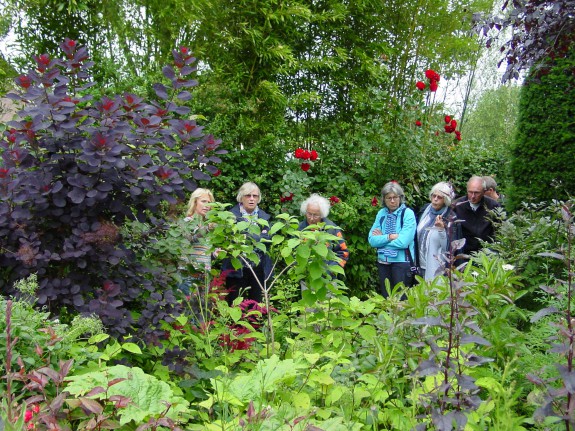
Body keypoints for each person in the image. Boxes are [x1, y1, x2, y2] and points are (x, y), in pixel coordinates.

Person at [223, 182, 272, 304]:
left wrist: (246, 237)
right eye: (248, 195)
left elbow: (268, 239)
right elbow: (230, 239)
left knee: (257, 306)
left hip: (259, 267)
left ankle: (256, 324)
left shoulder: (264, 218)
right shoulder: (230, 217)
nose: (251, 199)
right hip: (236, 267)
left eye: (255, 196)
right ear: (241, 197)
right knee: (234, 304)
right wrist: (257, 237)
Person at [368, 181, 416, 297]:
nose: (392, 201)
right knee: (387, 299)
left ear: (401, 198)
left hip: (401, 263)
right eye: (389, 198)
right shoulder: (381, 213)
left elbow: (403, 242)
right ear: (384, 199)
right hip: (383, 263)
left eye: (395, 197)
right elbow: (371, 240)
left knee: (401, 301)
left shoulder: (407, 214)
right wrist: (389, 237)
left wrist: (381, 240)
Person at [298, 193, 350, 272]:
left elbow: (343, 253)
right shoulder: (299, 229)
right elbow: (293, 253)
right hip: (304, 277)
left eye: (315, 215)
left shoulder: (332, 229)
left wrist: (330, 271)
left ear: (322, 214)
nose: (311, 218)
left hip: (328, 279)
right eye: (309, 214)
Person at [453, 175, 501, 259]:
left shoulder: (493, 206)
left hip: (486, 255)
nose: (472, 196)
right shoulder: (457, 206)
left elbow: (499, 231)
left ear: (484, 191)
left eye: (476, 193)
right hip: (463, 255)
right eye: (470, 192)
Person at [416, 182, 455, 280]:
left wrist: (441, 230)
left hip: (436, 267)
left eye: (439, 197)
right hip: (421, 264)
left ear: (445, 200)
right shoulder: (425, 211)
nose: (435, 199)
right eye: (434, 195)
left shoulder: (450, 217)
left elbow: (449, 247)